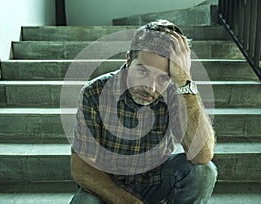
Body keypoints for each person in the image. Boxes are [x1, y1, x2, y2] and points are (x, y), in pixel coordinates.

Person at [69, 19, 217, 204]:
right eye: (142, 72)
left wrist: (184, 83)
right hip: (108, 184)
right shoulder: (95, 91)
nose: (151, 88)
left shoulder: (175, 92)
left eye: (163, 78)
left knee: (204, 172)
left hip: (155, 181)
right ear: (129, 59)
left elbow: (202, 155)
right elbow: (81, 168)